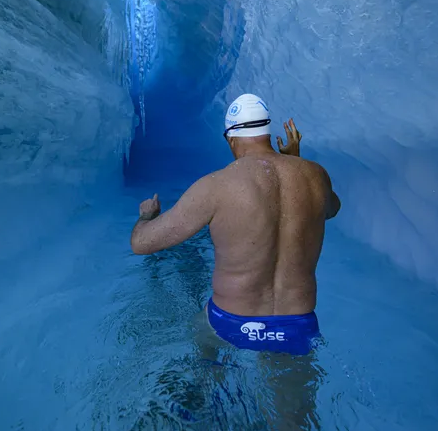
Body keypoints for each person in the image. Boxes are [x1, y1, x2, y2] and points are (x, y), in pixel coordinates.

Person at [130, 93, 340, 356]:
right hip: (299, 326)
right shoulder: (316, 176)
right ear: (266, 130)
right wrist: (296, 161)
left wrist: (147, 216)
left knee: (204, 358)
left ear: (230, 138)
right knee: (293, 395)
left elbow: (141, 244)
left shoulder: (216, 185)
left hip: (231, 323)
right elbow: (331, 209)